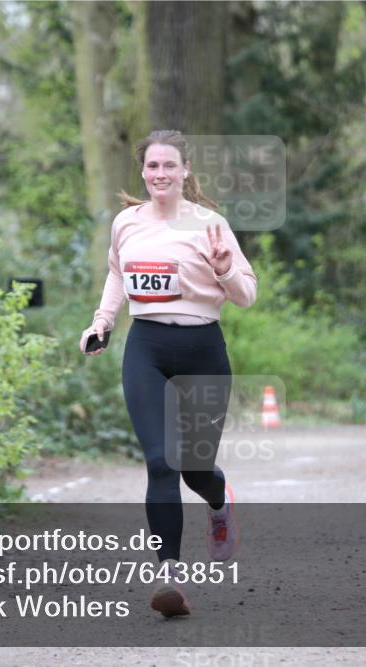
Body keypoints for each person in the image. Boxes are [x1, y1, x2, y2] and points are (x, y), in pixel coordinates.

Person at [79, 130, 257, 618]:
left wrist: (224, 270)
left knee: (195, 469)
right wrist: (102, 322)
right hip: (147, 347)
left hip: (203, 349)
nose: (160, 174)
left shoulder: (211, 224)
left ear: (185, 171)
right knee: (161, 462)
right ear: (143, 171)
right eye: (152, 166)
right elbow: (117, 273)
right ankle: (169, 577)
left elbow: (246, 295)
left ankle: (219, 503)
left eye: (169, 166)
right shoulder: (126, 223)